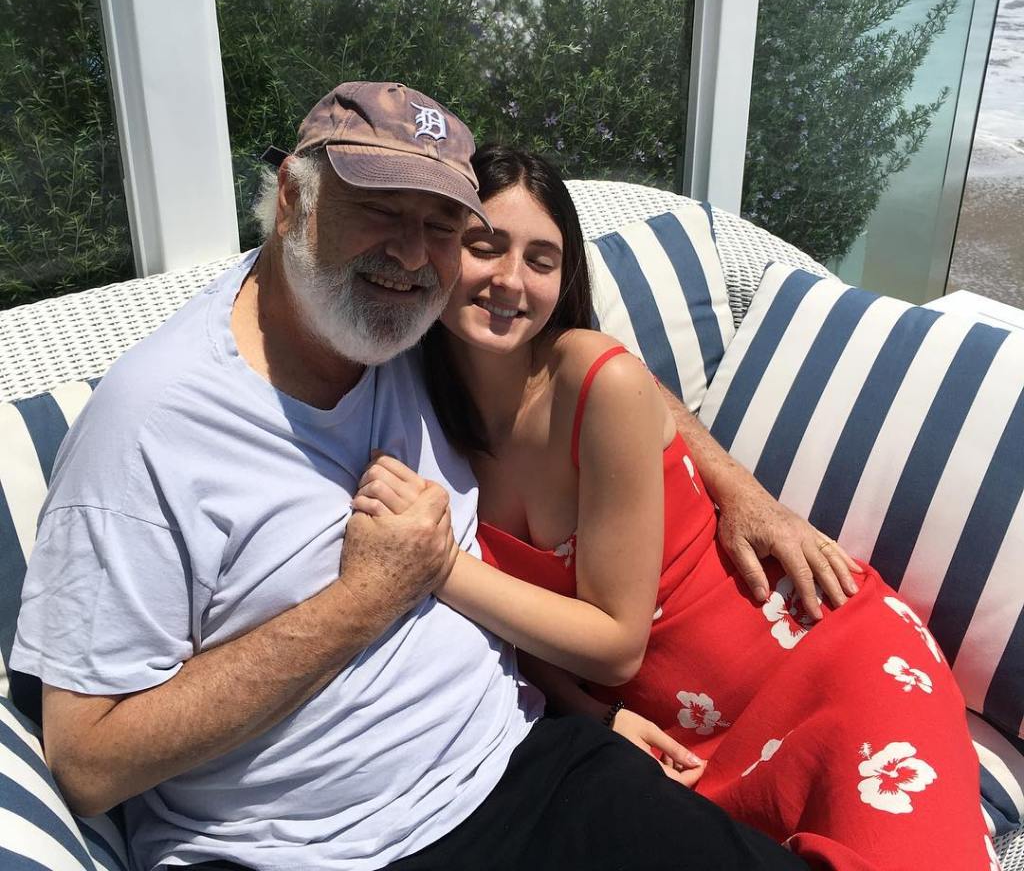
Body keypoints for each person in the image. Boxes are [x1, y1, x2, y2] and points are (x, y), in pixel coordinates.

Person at [11, 83, 814, 871]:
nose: (407, 252)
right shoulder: (152, 423)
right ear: (292, 198)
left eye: (439, 226)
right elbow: (89, 764)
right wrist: (363, 599)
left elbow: (589, 370)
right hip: (313, 849)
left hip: (531, 765)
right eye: (379, 211)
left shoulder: (408, 333)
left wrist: (737, 486)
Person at [353, 144, 992, 871]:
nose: (511, 281)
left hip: (828, 669)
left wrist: (433, 564)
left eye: (542, 259)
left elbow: (615, 641)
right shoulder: (418, 415)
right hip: (674, 742)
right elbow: (514, 630)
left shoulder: (597, 382)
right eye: (485, 246)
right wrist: (594, 713)